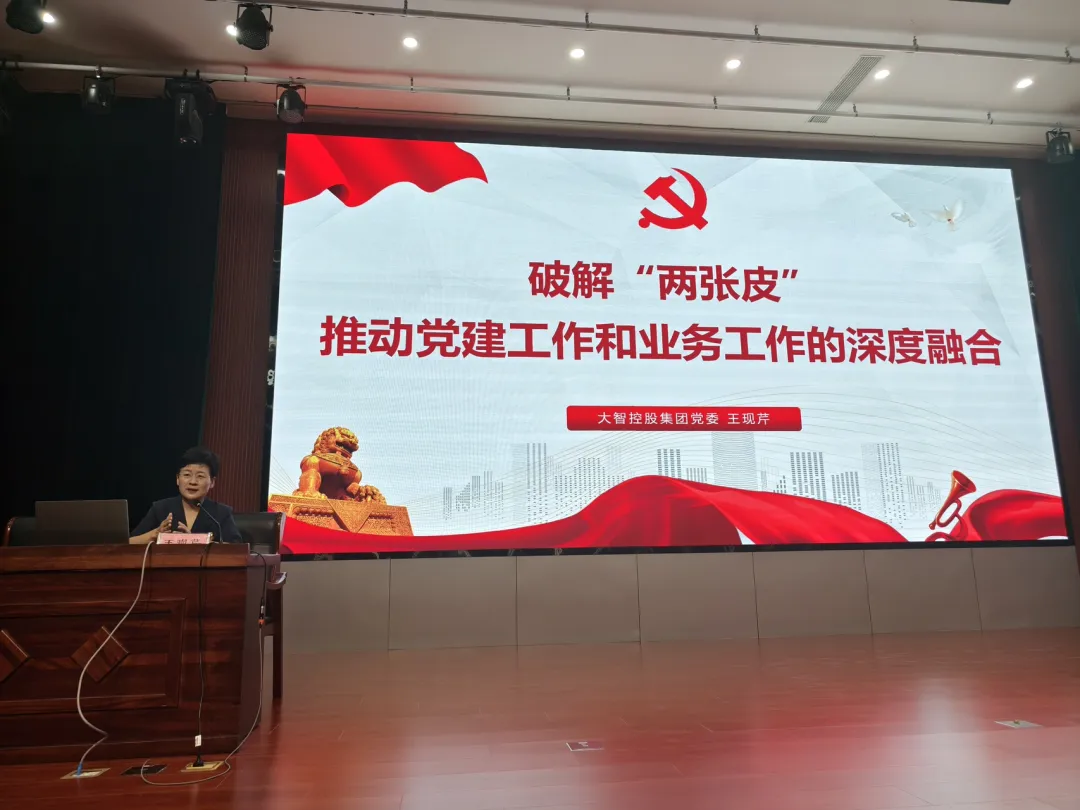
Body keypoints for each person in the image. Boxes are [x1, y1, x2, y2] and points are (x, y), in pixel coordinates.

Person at [130, 447, 242, 544]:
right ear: (177, 479)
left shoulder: (221, 513)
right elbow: (128, 542)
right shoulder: (160, 509)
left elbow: (236, 549)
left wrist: (194, 541)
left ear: (212, 482)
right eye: (187, 475)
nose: (193, 482)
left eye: (200, 476)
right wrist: (155, 534)